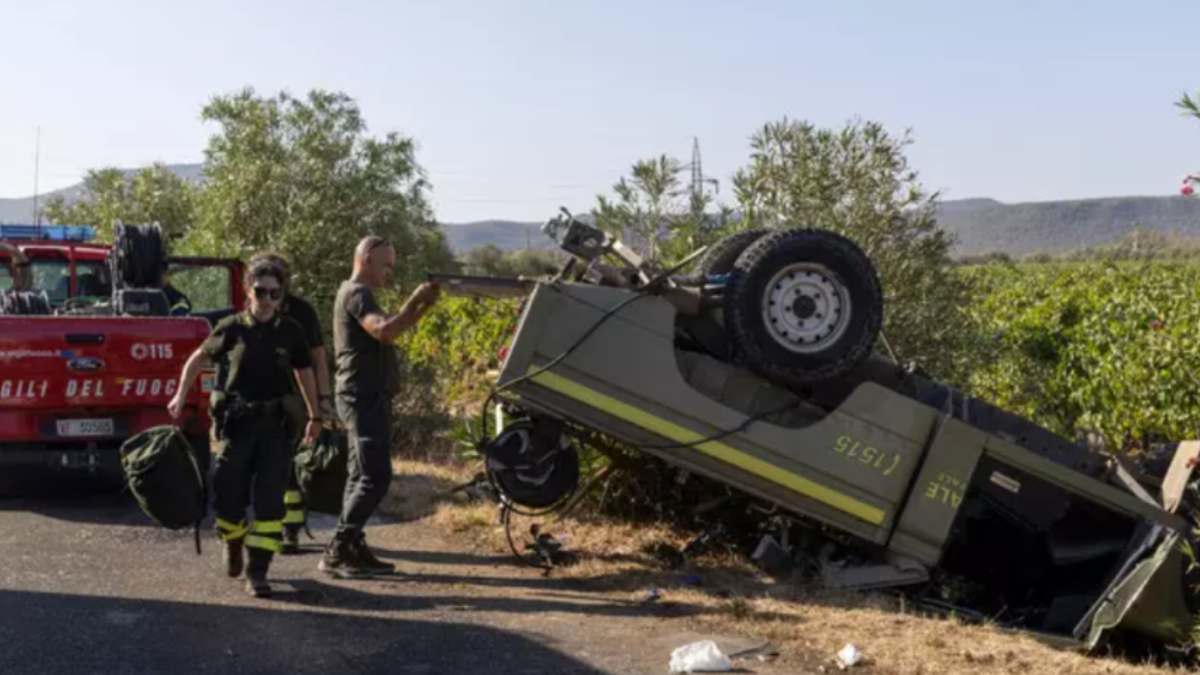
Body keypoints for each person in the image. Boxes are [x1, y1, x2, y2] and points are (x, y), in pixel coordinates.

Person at [168, 257, 321, 598]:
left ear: (282, 295)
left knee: (270, 503)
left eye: (274, 293)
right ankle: (233, 542)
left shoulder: (291, 331)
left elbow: (305, 373)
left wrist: (315, 415)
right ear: (248, 290)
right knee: (228, 496)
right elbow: (198, 358)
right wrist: (180, 395)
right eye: (260, 291)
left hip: (276, 429)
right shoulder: (231, 328)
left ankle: (258, 571)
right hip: (237, 427)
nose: (266, 299)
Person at [319, 235, 440, 578]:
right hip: (362, 396)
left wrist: (422, 307)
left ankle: (352, 544)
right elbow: (384, 332)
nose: (389, 272)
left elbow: (391, 330)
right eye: (386, 264)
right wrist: (415, 301)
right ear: (367, 258)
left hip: (366, 396)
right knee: (375, 476)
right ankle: (339, 549)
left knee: (360, 474)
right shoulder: (357, 294)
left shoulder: (357, 293)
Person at [246, 251, 333, 554]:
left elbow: (317, 359)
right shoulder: (250, 309)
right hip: (257, 402)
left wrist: (322, 402)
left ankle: (290, 529)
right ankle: (270, 527)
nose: (267, 293)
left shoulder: (302, 312)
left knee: (291, 467)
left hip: (295, 402)